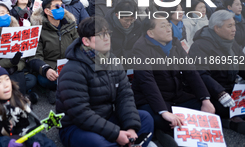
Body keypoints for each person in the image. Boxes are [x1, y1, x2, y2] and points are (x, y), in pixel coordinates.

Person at [56, 16, 154, 147]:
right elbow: (81, 114)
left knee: (145, 118)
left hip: (106, 117)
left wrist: (131, 128)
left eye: (107, 33)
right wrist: (116, 134)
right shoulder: (73, 70)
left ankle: (130, 142)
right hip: (76, 126)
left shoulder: (112, 60)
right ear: (86, 41)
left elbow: (125, 96)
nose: (107, 37)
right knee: (96, 143)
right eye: (100, 34)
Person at [131, 15, 215, 145]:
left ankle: (173, 129)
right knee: (157, 119)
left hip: (176, 96)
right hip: (150, 100)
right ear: (150, 33)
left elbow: (190, 71)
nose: (168, 29)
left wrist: (205, 98)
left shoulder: (175, 43)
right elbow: (147, 82)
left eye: (168, 25)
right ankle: (161, 133)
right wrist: (164, 111)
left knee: (205, 108)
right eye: (163, 26)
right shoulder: (140, 48)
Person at [189, 10, 245, 134]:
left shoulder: (232, 43)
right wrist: (220, 93)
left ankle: (234, 118)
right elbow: (201, 74)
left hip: (232, 89)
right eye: (229, 26)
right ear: (217, 28)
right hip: (211, 93)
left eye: (234, 25)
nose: (234, 29)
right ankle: (229, 122)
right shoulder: (200, 46)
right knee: (225, 108)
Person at [29, 0, 78, 104]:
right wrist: (46, 69)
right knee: (44, 80)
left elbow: (78, 45)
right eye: (57, 7)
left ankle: (64, 89)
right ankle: (56, 89)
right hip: (51, 67)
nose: (61, 9)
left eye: (62, 6)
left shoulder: (70, 24)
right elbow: (35, 56)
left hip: (69, 64)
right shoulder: (38, 30)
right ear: (47, 11)